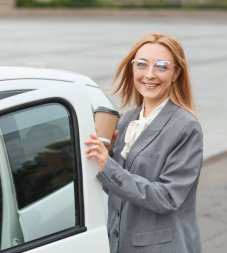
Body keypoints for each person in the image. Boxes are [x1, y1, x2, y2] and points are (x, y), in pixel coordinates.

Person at [85, 32, 203, 253]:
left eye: (161, 66)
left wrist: (108, 167)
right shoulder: (127, 120)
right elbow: (119, 190)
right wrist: (106, 155)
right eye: (142, 64)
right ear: (132, 68)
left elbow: (167, 197)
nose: (150, 74)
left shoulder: (186, 127)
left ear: (176, 73)